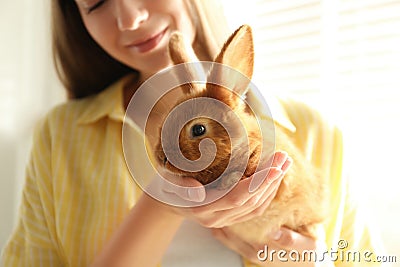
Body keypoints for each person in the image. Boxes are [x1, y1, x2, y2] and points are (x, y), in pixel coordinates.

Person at [1, 0, 385, 266]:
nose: (129, 18)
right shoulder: (61, 137)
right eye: (96, 2)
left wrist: (312, 262)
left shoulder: (317, 134)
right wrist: (160, 206)